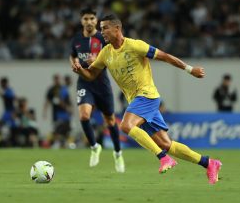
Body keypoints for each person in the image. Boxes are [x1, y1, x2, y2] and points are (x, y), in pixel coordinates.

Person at [73, 14, 222, 184]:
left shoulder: (136, 46)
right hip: (138, 101)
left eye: (105, 28)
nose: (102, 32)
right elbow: (91, 74)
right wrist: (80, 71)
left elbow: (164, 56)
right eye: (101, 29)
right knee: (167, 144)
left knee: (126, 125)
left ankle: (163, 158)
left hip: (147, 96)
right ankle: (209, 163)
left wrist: (190, 69)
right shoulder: (106, 53)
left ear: (117, 29)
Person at [70, 8, 125, 172]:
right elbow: (73, 55)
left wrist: (100, 59)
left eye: (92, 18)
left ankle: (118, 153)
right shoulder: (76, 40)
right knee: (84, 115)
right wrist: (73, 63)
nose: (88, 21)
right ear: (81, 21)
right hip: (84, 82)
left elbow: (114, 54)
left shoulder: (103, 37)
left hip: (102, 84)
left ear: (96, 20)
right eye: (85, 18)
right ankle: (94, 147)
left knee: (110, 121)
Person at [43, 74, 72, 148]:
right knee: (57, 129)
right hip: (57, 114)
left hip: (65, 114)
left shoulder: (63, 89)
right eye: (56, 79)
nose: (57, 80)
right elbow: (47, 101)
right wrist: (45, 112)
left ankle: (64, 143)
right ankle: (57, 143)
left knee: (66, 129)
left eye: (58, 79)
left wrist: (69, 109)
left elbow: (68, 101)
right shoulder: (51, 89)